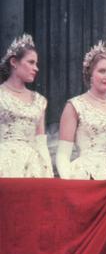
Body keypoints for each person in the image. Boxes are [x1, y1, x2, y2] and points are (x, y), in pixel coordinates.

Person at [56, 41, 106, 179]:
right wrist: (66, 183)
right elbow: (62, 155)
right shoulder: (75, 106)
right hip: (84, 178)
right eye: (102, 71)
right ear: (90, 73)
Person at [0, 33, 52, 178]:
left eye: (36, 64)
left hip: (33, 167)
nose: (36, 68)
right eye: (31, 62)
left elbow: (41, 142)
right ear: (14, 62)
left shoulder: (39, 100)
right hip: (5, 165)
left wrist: (47, 172)